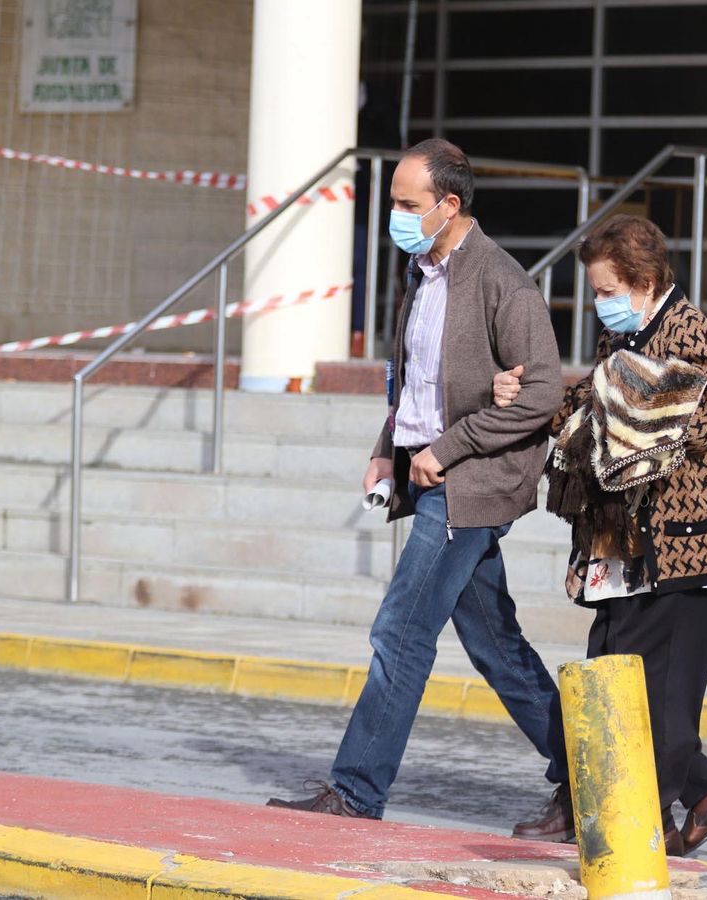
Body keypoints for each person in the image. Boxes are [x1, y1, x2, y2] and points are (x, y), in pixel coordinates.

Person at [267, 139, 571, 830]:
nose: (396, 216)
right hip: (431, 474)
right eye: (395, 202)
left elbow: (543, 392)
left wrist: (448, 447)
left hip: (473, 486)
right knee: (495, 645)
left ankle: (356, 791)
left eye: (408, 204)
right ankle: (587, 777)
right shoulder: (420, 275)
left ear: (450, 205)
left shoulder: (503, 282)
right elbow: (415, 385)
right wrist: (388, 450)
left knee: (400, 632)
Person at [496, 216, 707, 857]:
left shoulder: (687, 331)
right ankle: (696, 789)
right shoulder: (629, 333)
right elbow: (588, 405)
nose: (598, 301)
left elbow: (662, 427)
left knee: (655, 695)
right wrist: (524, 393)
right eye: (595, 289)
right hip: (628, 547)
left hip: (685, 544)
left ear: (643, 281)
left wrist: (596, 406)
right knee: (612, 675)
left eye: (606, 287)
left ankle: (639, 821)